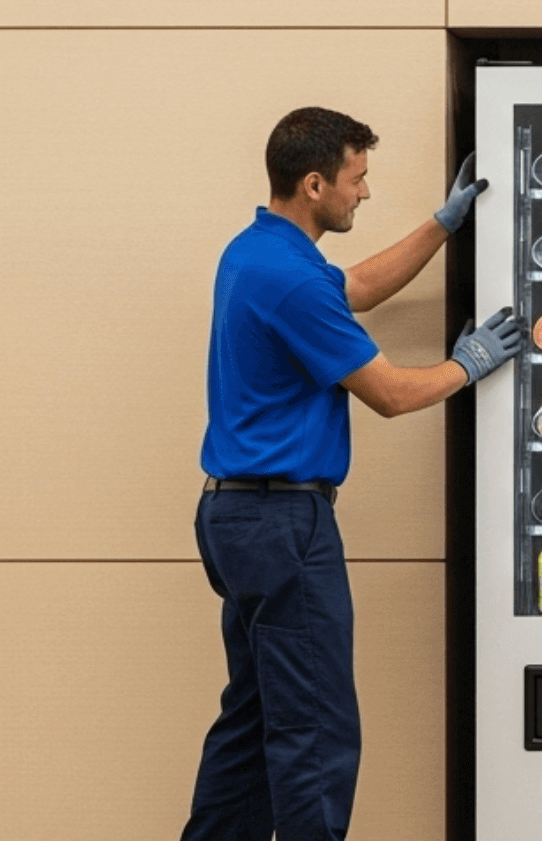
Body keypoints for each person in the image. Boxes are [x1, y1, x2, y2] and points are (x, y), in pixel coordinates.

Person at [187, 106, 516, 841]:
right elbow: (392, 395)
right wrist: (468, 366)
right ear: (313, 184)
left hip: (235, 518)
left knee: (254, 721)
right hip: (282, 523)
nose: (364, 193)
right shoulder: (290, 279)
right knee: (316, 731)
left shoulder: (257, 252)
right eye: (356, 178)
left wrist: (442, 225)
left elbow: (358, 286)